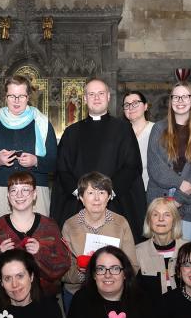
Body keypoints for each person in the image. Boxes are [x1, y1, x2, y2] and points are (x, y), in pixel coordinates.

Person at [53, 78, 146, 241]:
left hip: (115, 201)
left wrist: (108, 192)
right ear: (85, 99)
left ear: (108, 97)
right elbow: (62, 168)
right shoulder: (71, 132)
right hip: (79, 203)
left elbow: (131, 165)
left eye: (101, 93)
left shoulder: (123, 129)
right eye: (91, 94)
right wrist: (81, 192)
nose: (96, 98)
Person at [0, 74, 57, 223]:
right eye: (12, 96)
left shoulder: (42, 123)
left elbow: (54, 162)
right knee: (1, 242)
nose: (16, 101)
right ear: (5, 97)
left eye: (21, 96)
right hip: (1, 190)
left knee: (37, 242)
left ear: (28, 97)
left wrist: (36, 161)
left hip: (35, 191)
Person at [0, 172, 69, 297]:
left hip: (43, 299)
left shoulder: (49, 226)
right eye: (14, 190)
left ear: (34, 194)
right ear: (8, 196)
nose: (19, 195)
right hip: (6, 301)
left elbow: (62, 267)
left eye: (25, 190)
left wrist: (40, 253)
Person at [61, 172, 139, 311]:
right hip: (78, 292)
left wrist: (112, 276)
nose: (96, 198)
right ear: (81, 197)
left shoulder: (121, 223)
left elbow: (132, 265)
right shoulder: (69, 225)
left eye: (102, 192)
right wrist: (82, 272)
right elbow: (63, 271)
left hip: (113, 292)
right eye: (90, 193)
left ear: (109, 197)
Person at [147, 81, 191, 242]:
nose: (180, 101)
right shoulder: (158, 129)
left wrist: (179, 199)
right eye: (176, 97)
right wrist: (179, 182)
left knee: (186, 259)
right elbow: (155, 166)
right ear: (170, 101)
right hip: (159, 201)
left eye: (185, 96)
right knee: (161, 257)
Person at [135, 197, 186, 298]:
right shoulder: (137, 252)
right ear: (149, 220)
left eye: (167, 215)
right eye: (155, 214)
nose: (161, 219)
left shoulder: (188, 250)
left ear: (175, 220)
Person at [122, 91, 155, 191]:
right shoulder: (120, 133)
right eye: (127, 105)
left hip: (152, 189)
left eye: (135, 103)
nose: (131, 107)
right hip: (126, 190)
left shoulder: (156, 130)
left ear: (145, 106)